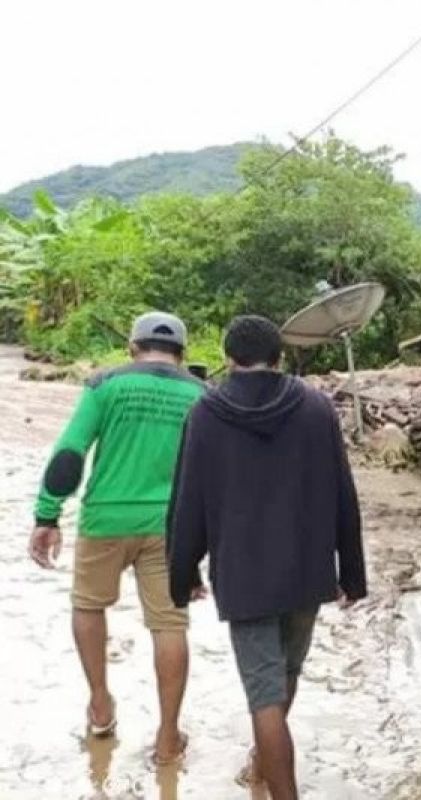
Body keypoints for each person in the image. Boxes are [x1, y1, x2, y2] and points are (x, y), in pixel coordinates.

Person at [168, 314, 366, 799]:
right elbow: (344, 493)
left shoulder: (207, 413)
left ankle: (278, 786)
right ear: (279, 356)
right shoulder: (317, 408)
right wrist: (352, 574)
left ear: (227, 357)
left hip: (245, 576)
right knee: (283, 679)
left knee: (264, 695)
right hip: (306, 571)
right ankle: (261, 769)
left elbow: (187, 501)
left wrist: (183, 573)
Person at [27, 311, 204, 763]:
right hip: (169, 526)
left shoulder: (105, 386)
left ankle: (101, 706)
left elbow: (70, 452)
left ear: (133, 346)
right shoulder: (200, 395)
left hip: (105, 519)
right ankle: (167, 738)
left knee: (88, 606)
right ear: (182, 354)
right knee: (169, 625)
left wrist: (47, 515)